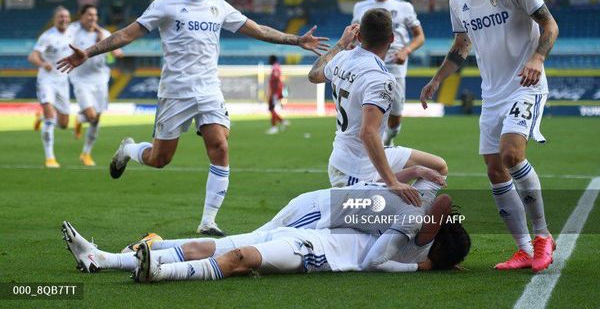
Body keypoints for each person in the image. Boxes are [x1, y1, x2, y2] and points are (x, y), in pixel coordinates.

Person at [57, 0, 328, 236]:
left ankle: (208, 221)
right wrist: (89, 51)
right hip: (175, 92)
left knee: (220, 146)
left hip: (209, 89)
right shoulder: (165, 4)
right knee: (160, 160)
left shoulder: (219, 6)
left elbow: (259, 30)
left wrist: (295, 40)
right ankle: (130, 149)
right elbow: (126, 33)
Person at [420, 0, 559, 273]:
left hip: (526, 83)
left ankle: (543, 237)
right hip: (491, 93)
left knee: (512, 155)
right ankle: (524, 249)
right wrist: (437, 79)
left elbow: (550, 25)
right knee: (495, 169)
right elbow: (462, 45)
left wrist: (537, 58)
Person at [60, 179, 470, 280]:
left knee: (234, 253)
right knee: (224, 246)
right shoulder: (407, 233)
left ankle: (141, 266)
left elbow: (372, 262)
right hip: (313, 227)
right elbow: (440, 204)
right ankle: (120, 258)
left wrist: (425, 266)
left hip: (316, 249)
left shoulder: (407, 248)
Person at [308, 10, 447, 206]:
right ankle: (408, 220)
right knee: (371, 231)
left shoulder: (341, 57)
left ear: (358, 36)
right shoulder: (381, 79)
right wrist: (393, 182)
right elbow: (367, 133)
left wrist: (340, 44)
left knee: (438, 167)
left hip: (354, 154)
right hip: (353, 169)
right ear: (392, 38)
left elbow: (313, 75)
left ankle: (411, 212)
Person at [352, 0, 425, 146]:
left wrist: (406, 50)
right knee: (367, 109)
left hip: (395, 66)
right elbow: (353, 35)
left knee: (395, 116)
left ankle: (388, 139)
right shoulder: (360, 7)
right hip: (367, 65)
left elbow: (420, 37)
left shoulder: (404, 7)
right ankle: (373, 146)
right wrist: (351, 48)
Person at [68, 4, 124, 166]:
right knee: (91, 116)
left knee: (96, 119)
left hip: (100, 80)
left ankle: (86, 153)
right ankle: (80, 118)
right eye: (89, 15)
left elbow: (117, 53)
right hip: (81, 79)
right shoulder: (73, 31)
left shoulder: (104, 33)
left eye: (95, 15)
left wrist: (114, 51)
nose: (93, 18)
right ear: (82, 16)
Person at [28, 6, 74, 168]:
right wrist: (42, 63)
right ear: (55, 19)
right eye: (61, 17)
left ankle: (40, 119)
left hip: (62, 81)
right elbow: (32, 56)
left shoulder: (71, 33)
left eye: (67, 17)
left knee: (63, 124)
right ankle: (50, 158)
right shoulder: (47, 36)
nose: (64, 19)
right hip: (46, 80)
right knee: (50, 116)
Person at [265, 55, 289, 135]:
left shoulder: (275, 68)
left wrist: (273, 92)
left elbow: (276, 79)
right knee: (271, 108)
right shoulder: (277, 67)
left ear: (272, 60)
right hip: (276, 91)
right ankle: (282, 122)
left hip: (275, 92)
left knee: (271, 108)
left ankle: (275, 127)